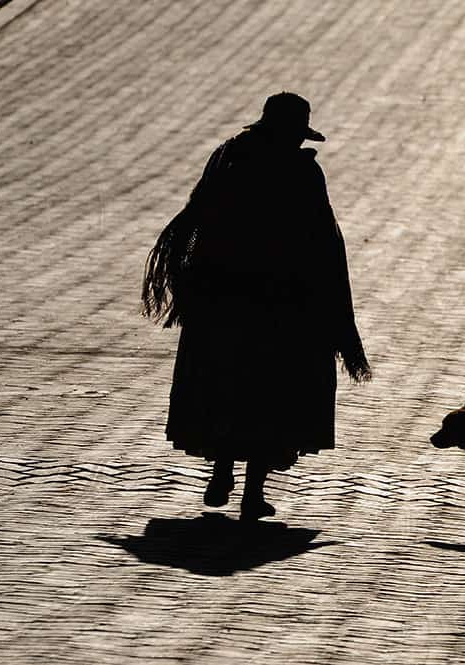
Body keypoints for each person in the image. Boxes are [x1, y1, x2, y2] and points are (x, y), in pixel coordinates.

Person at [142, 92, 371, 520]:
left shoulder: (229, 159)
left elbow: (198, 218)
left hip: (224, 299)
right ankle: (252, 492)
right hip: (282, 305)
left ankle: (222, 472)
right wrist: (331, 310)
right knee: (275, 396)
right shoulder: (302, 173)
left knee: (226, 386)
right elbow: (321, 241)